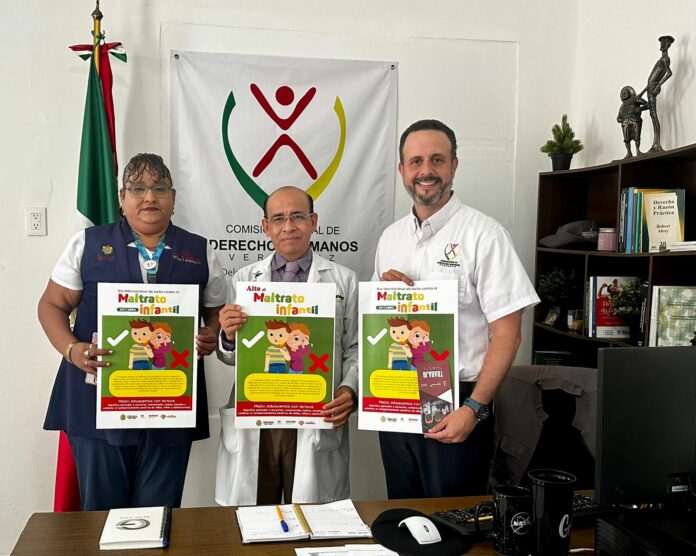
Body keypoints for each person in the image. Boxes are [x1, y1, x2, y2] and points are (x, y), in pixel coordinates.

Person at [38, 153, 226, 510]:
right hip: (96, 401)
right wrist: (72, 350)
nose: (149, 197)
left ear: (173, 197)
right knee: (102, 515)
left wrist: (210, 333)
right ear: (122, 198)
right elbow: (51, 305)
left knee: (158, 515)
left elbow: (216, 312)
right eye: (138, 188)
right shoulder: (87, 243)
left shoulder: (200, 251)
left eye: (160, 188)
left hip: (170, 401)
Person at [373, 119, 539, 498]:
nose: (426, 171)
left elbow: (508, 334)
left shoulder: (485, 235)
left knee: (453, 518)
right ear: (401, 170)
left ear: (454, 165)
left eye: (437, 159)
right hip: (396, 394)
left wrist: (473, 408)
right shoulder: (390, 238)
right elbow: (383, 325)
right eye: (415, 162)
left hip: (457, 401)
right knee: (404, 512)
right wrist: (386, 298)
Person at [215, 186, 358, 506]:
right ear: (266, 227)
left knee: (312, 519)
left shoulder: (343, 280)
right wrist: (227, 336)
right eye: (278, 218)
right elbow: (231, 357)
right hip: (258, 415)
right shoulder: (244, 280)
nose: (288, 226)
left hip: (315, 413)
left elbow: (355, 347)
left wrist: (349, 390)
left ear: (313, 222)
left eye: (298, 217)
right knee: (253, 515)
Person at [645, 35, 674, 152]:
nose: (661, 45)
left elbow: (669, 73)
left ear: (668, 45)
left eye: (664, 43)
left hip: (653, 88)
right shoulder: (662, 59)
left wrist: (657, 86)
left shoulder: (665, 59)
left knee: (654, 115)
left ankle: (656, 144)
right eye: (661, 43)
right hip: (650, 87)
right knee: (652, 114)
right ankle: (655, 144)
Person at [617, 85, 649, 158]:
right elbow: (619, 117)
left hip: (635, 120)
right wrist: (619, 119)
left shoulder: (636, 99)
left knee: (637, 137)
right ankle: (629, 152)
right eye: (622, 93)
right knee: (626, 139)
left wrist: (639, 109)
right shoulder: (622, 106)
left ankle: (638, 150)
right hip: (625, 122)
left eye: (625, 93)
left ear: (629, 93)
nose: (623, 94)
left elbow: (648, 105)